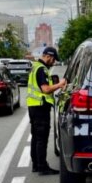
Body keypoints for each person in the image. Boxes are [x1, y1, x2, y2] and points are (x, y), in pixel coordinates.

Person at [27, 47, 67, 175]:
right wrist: (60, 85)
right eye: (54, 59)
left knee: (36, 136)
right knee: (41, 138)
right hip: (40, 107)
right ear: (48, 56)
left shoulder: (35, 66)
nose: (54, 62)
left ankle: (36, 165)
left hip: (33, 106)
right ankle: (42, 167)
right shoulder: (41, 69)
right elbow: (45, 89)